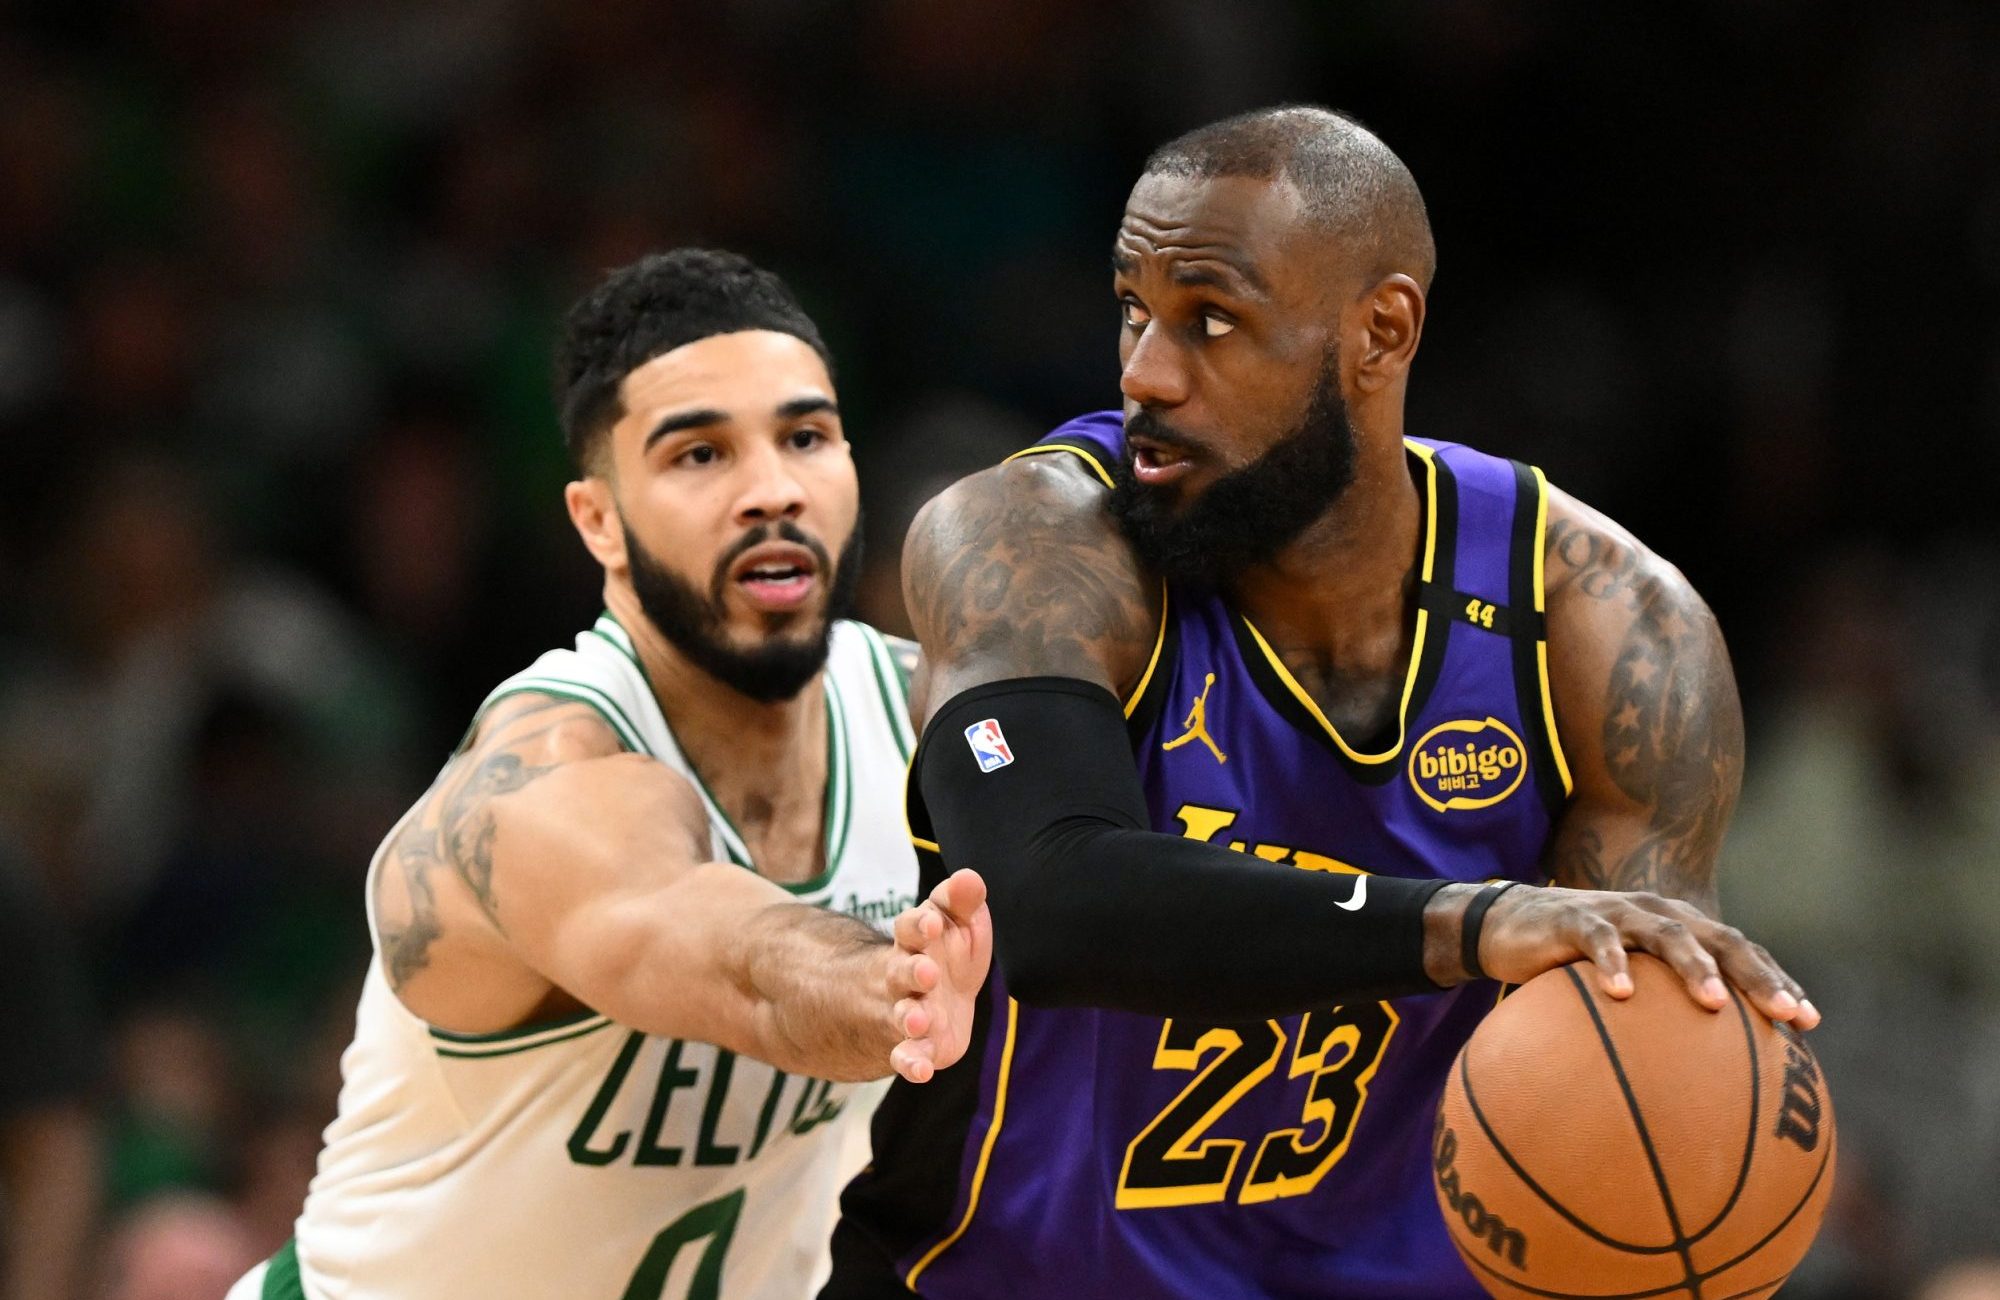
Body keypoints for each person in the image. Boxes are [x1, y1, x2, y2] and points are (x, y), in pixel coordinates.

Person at [827, 106, 1820, 1298]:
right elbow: (1042, 894)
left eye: (1210, 320)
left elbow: (1630, 1070)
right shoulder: (1032, 539)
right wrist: (1466, 922)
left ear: (1379, 330)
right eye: (1131, 309)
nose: (1143, 371)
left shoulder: (1607, 627)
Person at [229, 249, 991, 1300]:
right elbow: (739, 959)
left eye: (804, 437)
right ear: (596, 518)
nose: (771, 489)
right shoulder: (539, 780)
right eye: (699, 456)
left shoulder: (934, 724)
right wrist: (890, 986)